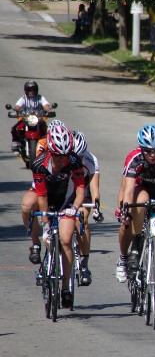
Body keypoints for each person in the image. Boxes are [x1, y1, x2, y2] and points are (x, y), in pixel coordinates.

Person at [116, 124, 155, 311]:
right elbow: (128, 191)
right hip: (140, 192)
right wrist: (126, 211)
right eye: (148, 151)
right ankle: (135, 246)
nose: (152, 155)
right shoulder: (134, 158)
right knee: (140, 201)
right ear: (141, 149)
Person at [32, 125, 85, 309]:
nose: (62, 160)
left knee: (65, 240)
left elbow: (80, 190)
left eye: (65, 156)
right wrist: (45, 226)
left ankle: (65, 288)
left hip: (67, 201)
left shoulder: (74, 161)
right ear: (50, 151)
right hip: (48, 196)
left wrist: (75, 208)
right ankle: (37, 244)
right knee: (41, 218)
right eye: (57, 156)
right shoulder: (39, 163)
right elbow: (42, 196)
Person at [22, 120, 68, 265]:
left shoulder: (67, 149)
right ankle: (36, 243)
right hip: (42, 186)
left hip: (62, 187)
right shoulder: (42, 144)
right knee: (28, 206)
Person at [69, 130, 102, 285]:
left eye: (80, 156)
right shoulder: (59, 157)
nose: (77, 160)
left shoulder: (91, 160)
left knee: (81, 219)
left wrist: (96, 208)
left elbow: (94, 187)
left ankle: (84, 265)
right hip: (63, 193)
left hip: (82, 193)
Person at [10, 81, 53, 152]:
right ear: (26, 90)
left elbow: (46, 105)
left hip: (38, 119)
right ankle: (16, 142)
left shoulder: (40, 98)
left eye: (33, 89)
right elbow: (17, 106)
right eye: (30, 90)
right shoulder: (23, 98)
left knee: (46, 129)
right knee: (15, 128)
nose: (32, 91)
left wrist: (48, 109)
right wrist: (16, 110)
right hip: (26, 118)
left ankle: (46, 143)